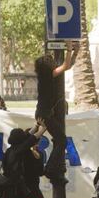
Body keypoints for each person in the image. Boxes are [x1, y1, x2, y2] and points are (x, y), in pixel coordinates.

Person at [34, 41, 79, 182]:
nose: (53, 61)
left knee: (60, 139)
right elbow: (65, 66)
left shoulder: (49, 75)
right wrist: (69, 50)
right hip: (45, 114)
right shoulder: (47, 75)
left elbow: (68, 66)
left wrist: (75, 51)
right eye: (50, 60)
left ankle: (51, 167)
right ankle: (51, 168)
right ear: (46, 66)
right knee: (61, 140)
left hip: (45, 113)